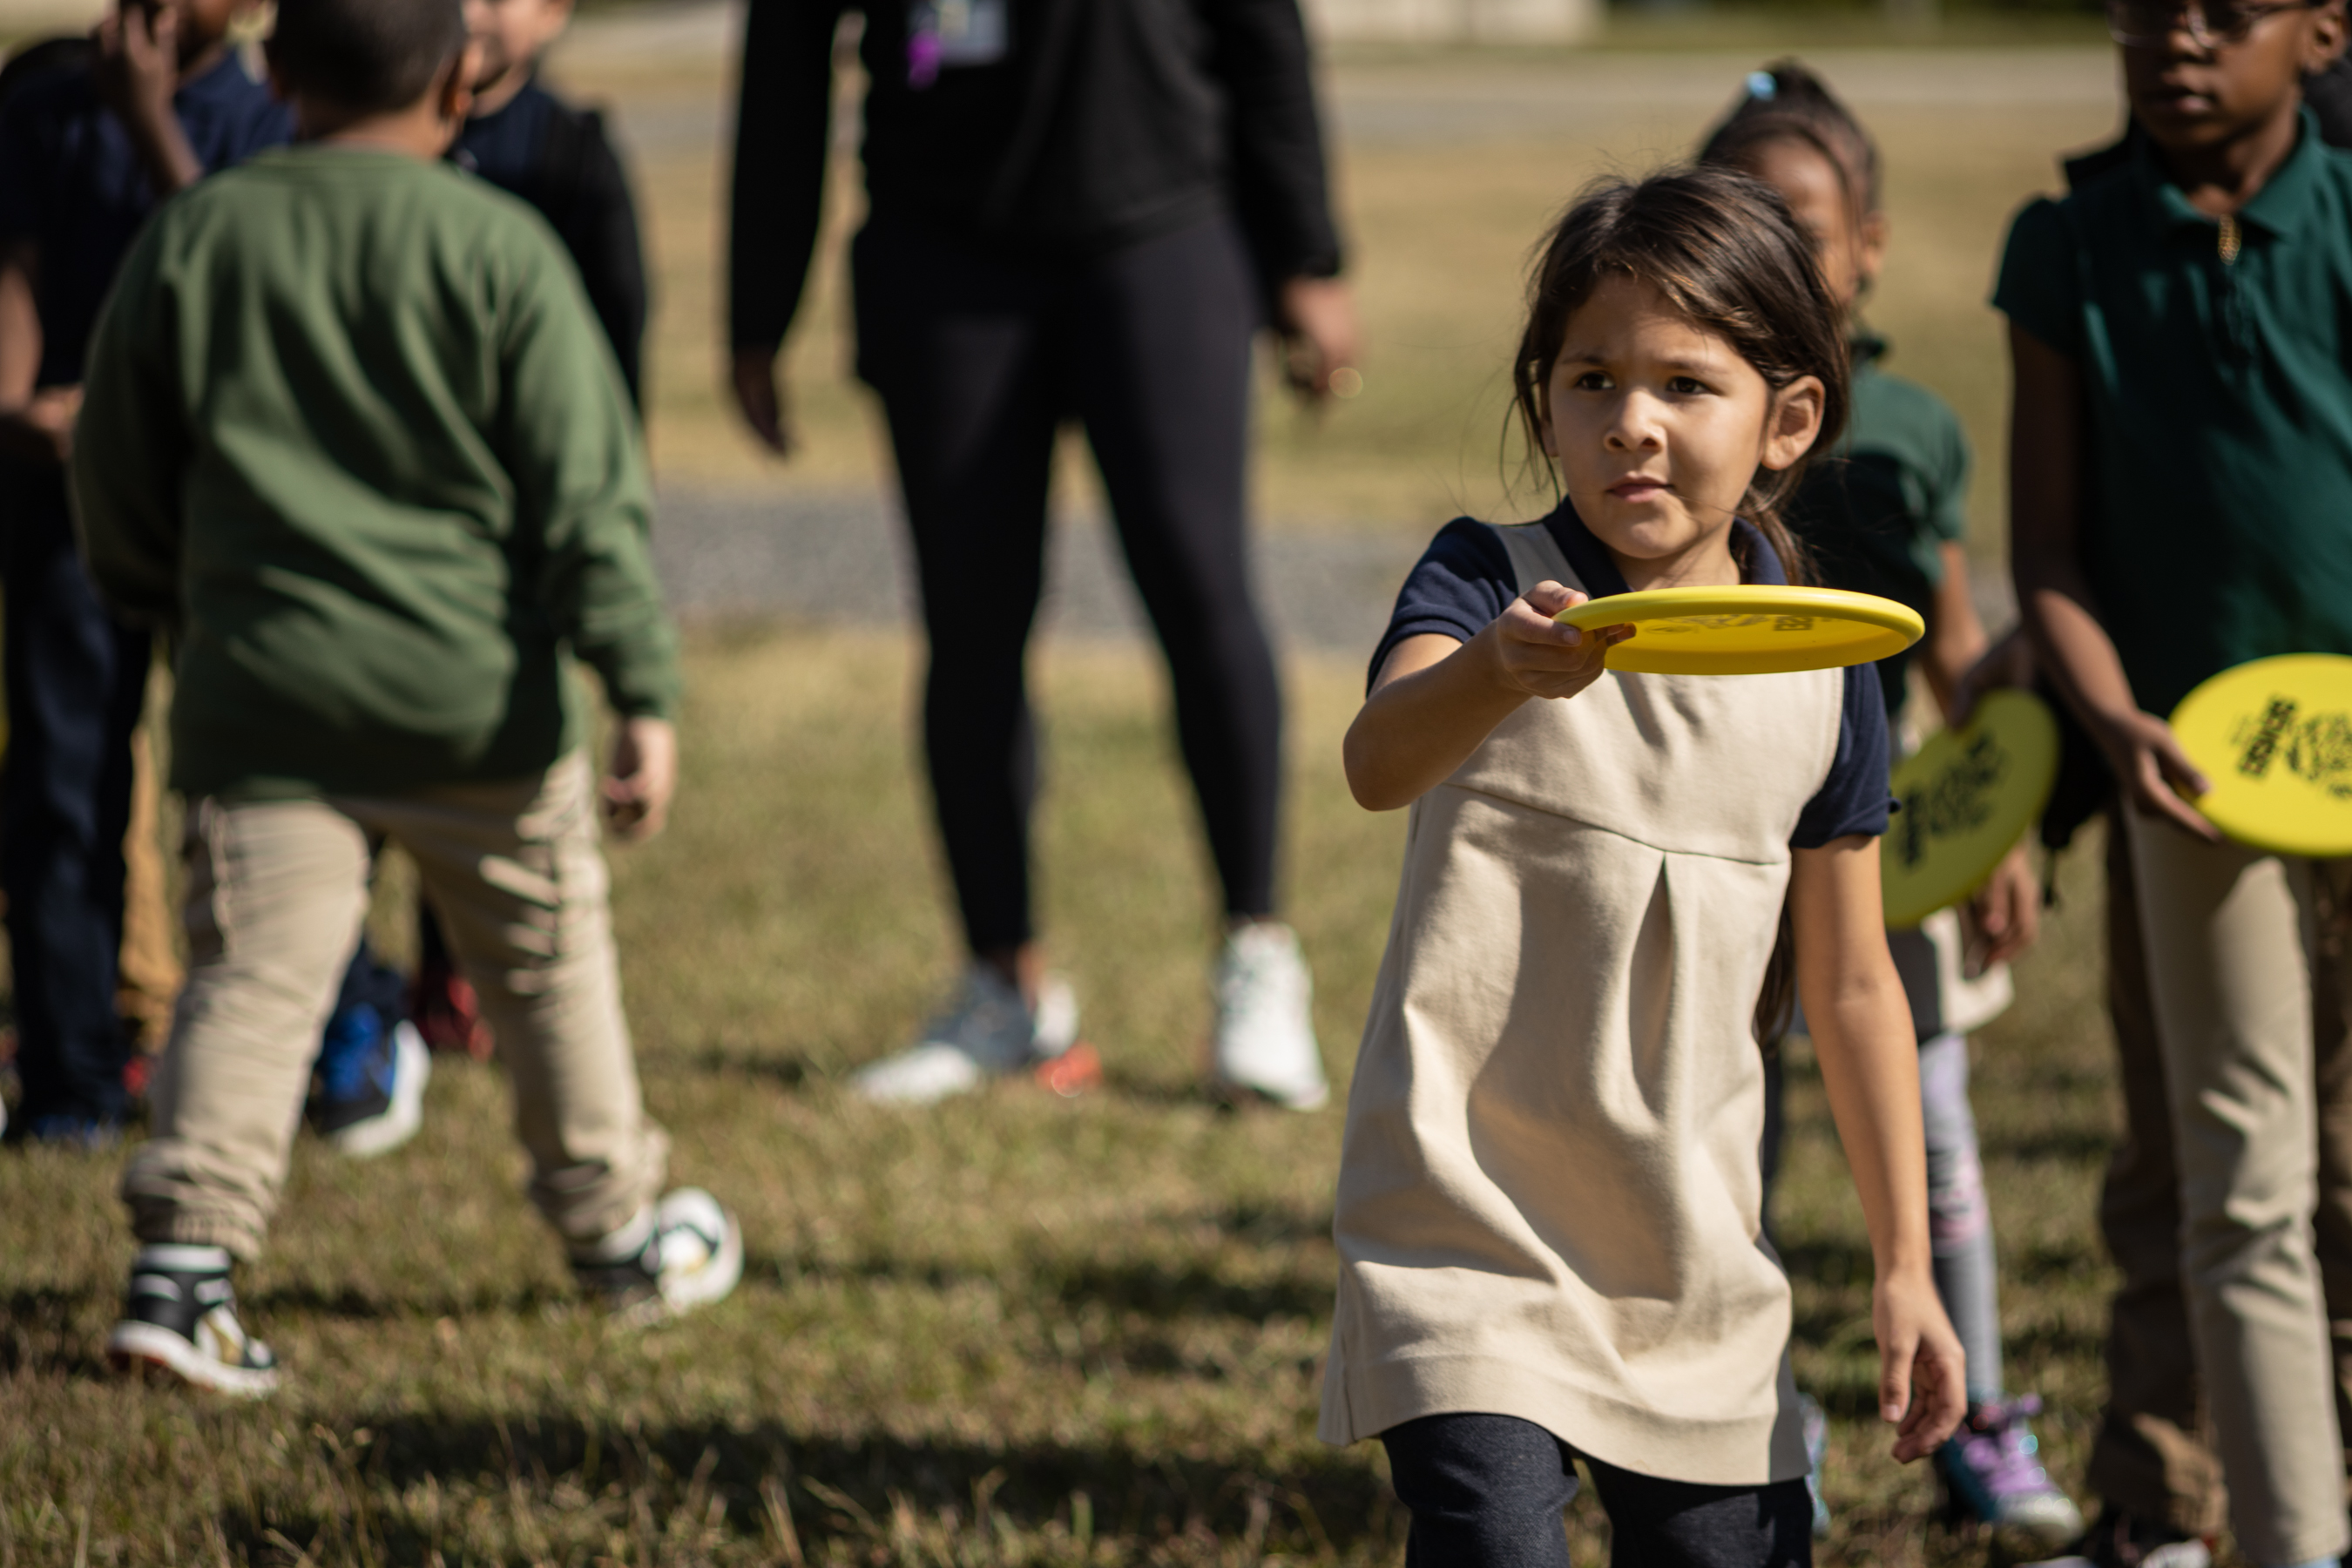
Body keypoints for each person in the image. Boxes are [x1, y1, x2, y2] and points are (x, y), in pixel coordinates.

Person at [71, 0, 740, 1395]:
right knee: (548, 972)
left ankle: (182, 1272)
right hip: (478, 715)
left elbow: (119, 474)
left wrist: (168, 597)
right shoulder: (501, 248)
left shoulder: (196, 239)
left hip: (262, 713)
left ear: (271, 71)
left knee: (248, 985)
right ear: (462, 76)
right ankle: (616, 1229)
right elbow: (586, 501)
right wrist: (641, 689)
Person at [1320, 166, 1967, 1566]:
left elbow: (1855, 987)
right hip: (1467, 1233)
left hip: (1694, 1266)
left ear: (1787, 419)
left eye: (1687, 385)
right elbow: (1379, 763)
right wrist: (1496, 671)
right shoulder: (1489, 583)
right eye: (1591, 381)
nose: (1634, 427)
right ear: (1542, 399)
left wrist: (1906, 1267)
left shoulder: (1823, 664)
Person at [728, 0, 1357, 1108]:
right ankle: (1001, 985)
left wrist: (1305, 251)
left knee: (1202, 594)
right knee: (970, 627)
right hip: (942, 249)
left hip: (1159, 224)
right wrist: (757, 306)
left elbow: (1263, 26)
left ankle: (1256, 956)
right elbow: (784, 59)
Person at [1695, 61, 2081, 1551]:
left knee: (1925, 1110)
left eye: (1803, 222)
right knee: (1735, 1136)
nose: (1777, 254)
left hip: (1887, 834)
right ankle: (1756, 1429)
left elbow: (1967, 649)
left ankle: (1974, 1417)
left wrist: (2010, 825)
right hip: (1721, 825)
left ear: (1868, 247)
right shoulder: (1687, 414)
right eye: (1740, 220)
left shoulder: (1913, 425)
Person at [1997, 0, 2352, 1558]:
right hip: (2190, 779)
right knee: (2240, 1179)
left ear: (2327, 38)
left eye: (2229, 11)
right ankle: (2291, 1541)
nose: (2178, 39)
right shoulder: (2070, 245)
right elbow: (2050, 549)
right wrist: (2117, 721)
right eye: (2148, 9)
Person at [0, 0, 288, 1147]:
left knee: (258, 790)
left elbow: (231, 274)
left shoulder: (268, 124)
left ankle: (283, 1054)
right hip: (65, 499)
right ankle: (71, 1074)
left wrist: (148, 116)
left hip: (218, 505)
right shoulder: (43, 114)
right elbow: (13, 278)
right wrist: (18, 408)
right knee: (64, 784)